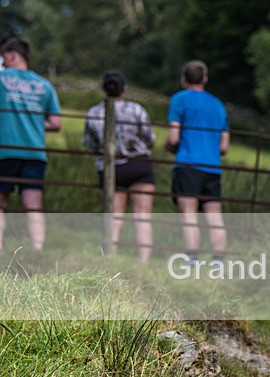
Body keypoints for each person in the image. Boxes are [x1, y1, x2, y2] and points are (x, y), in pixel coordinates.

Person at [83, 70, 156, 262]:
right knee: (142, 216)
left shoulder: (93, 112)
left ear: (103, 88)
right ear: (124, 88)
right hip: (138, 165)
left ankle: (110, 258)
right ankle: (144, 261)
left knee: (114, 217)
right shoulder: (136, 109)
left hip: (111, 168)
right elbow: (149, 138)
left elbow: (89, 145)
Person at [164, 60, 229, 264]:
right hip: (212, 167)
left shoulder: (179, 100)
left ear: (184, 79)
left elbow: (173, 137)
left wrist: (171, 146)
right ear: (205, 79)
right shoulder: (218, 105)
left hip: (188, 164)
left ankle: (192, 258)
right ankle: (218, 260)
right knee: (214, 215)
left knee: (189, 213)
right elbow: (224, 147)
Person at [0, 37, 61, 251]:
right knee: (34, 206)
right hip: (35, 153)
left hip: (5, 151)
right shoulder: (44, 85)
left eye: (3, 58)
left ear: (12, 55)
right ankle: (37, 249)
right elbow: (55, 122)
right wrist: (33, 119)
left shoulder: (1, 79)